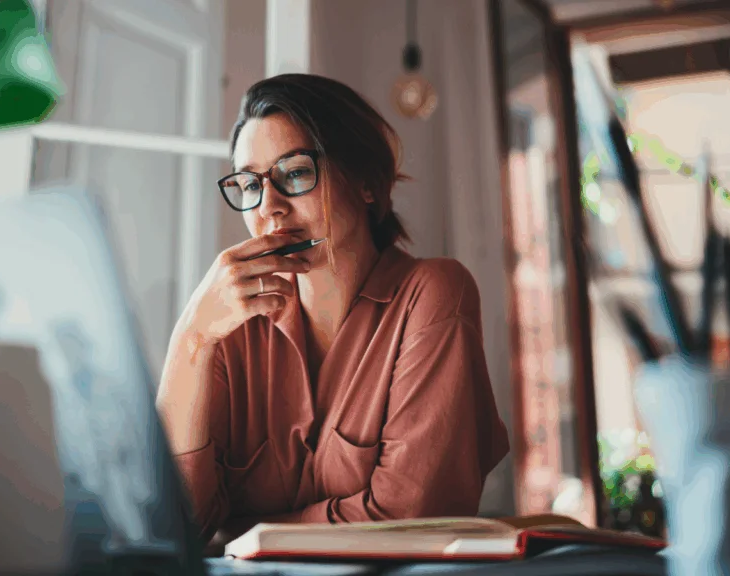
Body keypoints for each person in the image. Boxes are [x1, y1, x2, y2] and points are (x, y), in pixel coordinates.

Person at [156, 73, 509, 546]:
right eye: (249, 184)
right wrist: (192, 340)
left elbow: (410, 516)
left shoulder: (433, 293)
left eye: (295, 172)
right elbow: (174, 526)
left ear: (365, 181)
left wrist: (242, 532)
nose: (270, 209)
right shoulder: (227, 327)